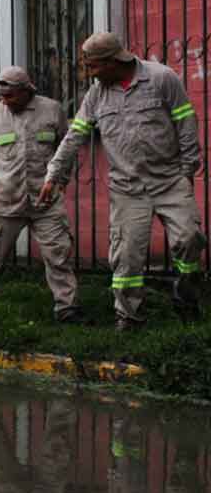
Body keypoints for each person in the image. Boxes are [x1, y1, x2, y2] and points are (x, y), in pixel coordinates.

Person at [41, 32, 206, 330]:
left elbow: (186, 121)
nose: (89, 73)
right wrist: (54, 175)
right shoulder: (96, 95)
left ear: (113, 61)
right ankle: (128, 317)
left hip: (170, 180)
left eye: (92, 66)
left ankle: (187, 296)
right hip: (128, 188)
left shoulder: (161, 78)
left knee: (189, 239)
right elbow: (74, 136)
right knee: (127, 257)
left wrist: (187, 169)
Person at [0, 66, 82, 322]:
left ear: (27, 90)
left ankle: (67, 309)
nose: (5, 101)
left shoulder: (52, 110)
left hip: (45, 202)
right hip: (5, 200)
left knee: (58, 255)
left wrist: (61, 181)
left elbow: (67, 150)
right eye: (2, 96)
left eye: (11, 96)